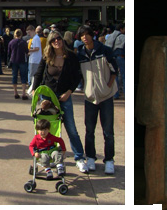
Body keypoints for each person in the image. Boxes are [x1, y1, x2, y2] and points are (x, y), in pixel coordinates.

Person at [30, 30, 87, 172]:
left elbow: (77, 76)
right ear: (50, 43)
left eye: (58, 38)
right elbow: (39, 73)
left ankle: (79, 157)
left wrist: (69, 92)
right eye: (53, 40)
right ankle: (48, 156)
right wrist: (35, 90)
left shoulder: (71, 56)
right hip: (48, 97)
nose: (56, 41)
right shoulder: (47, 56)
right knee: (47, 129)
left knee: (71, 128)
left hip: (64, 96)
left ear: (62, 40)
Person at [76, 25, 118, 175]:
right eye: (82, 35)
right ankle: (91, 158)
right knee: (89, 130)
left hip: (106, 96)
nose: (85, 37)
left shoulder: (104, 50)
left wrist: (108, 86)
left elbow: (114, 70)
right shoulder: (80, 53)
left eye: (87, 34)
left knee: (108, 131)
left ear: (92, 35)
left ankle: (109, 160)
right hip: (90, 97)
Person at [7, 28, 29, 100]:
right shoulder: (23, 42)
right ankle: (23, 93)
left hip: (14, 60)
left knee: (14, 76)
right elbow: (27, 51)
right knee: (23, 76)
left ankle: (15, 92)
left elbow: (9, 53)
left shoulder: (11, 42)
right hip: (22, 60)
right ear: (21, 34)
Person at [107, 23, 125, 99]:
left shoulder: (110, 36)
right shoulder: (123, 37)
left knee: (115, 76)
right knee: (125, 76)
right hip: (121, 57)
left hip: (111, 57)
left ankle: (115, 94)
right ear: (121, 29)